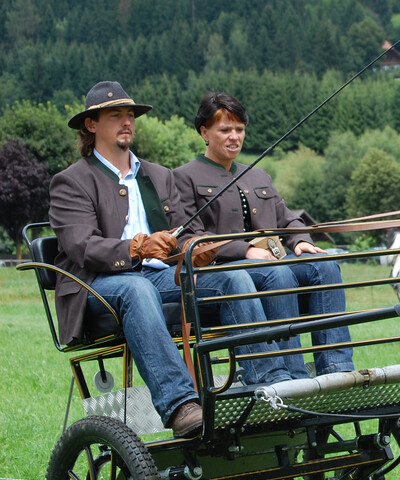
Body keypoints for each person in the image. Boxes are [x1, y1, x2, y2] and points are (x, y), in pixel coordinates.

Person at [51, 81, 295, 438]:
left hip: (160, 278)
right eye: (115, 115)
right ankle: (181, 404)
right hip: (96, 286)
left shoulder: (158, 175)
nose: (126, 122)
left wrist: (199, 246)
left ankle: (272, 386)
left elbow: (182, 235)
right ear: (91, 125)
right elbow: (80, 247)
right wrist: (136, 248)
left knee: (233, 278)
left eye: (130, 115)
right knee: (136, 289)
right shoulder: (72, 181)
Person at [174, 92, 353, 376]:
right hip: (226, 270)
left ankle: (337, 368)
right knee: (277, 273)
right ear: (204, 132)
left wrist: (301, 240)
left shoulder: (258, 176)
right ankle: (293, 375)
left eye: (240, 129)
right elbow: (187, 237)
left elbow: (288, 218)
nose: (234, 137)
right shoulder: (184, 177)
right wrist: (242, 250)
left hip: (270, 262)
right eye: (225, 130)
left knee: (326, 265)